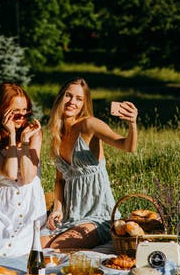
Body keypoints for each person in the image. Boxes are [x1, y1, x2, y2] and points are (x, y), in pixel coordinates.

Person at [40, 77, 138, 249]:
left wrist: (132, 124)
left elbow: (127, 146)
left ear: (84, 104)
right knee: (35, 246)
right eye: (68, 96)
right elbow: (60, 180)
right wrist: (57, 209)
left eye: (79, 99)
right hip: (69, 217)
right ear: (60, 98)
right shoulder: (58, 135)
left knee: (56, 248)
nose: (72, 102)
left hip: (98, 217)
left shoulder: (89, 125)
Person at [0, 82, 47, 257]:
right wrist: (13, 136)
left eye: (25, 111)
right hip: (3, 204)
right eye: (16, 112)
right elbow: (11, 173)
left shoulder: (34, 134)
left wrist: (25, 141)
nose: (22, 116)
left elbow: (28, 177)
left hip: (30, 202)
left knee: (23, 247)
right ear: (2, 111)